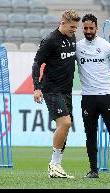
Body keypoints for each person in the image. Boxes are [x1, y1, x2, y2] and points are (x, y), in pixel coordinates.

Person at [76, 14, 110, 179]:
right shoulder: (77, 47)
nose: (88, 31)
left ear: (96, 28)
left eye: (91, 28)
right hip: (87, 97)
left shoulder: (107, 46)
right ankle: (94, 170)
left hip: (106, 96)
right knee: (90, 134)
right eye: (85, 28)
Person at [32, 10, 81, 178]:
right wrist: (37, 87)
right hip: (51, 89)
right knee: (65, 123)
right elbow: (37, 64)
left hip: (66, 90)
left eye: (76, 27)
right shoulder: (50, 40)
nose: (74, 30)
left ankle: (57, 166)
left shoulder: (72, 38)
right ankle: (53, 164)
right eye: (72, 27)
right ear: (63, 23)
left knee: (65, 127)